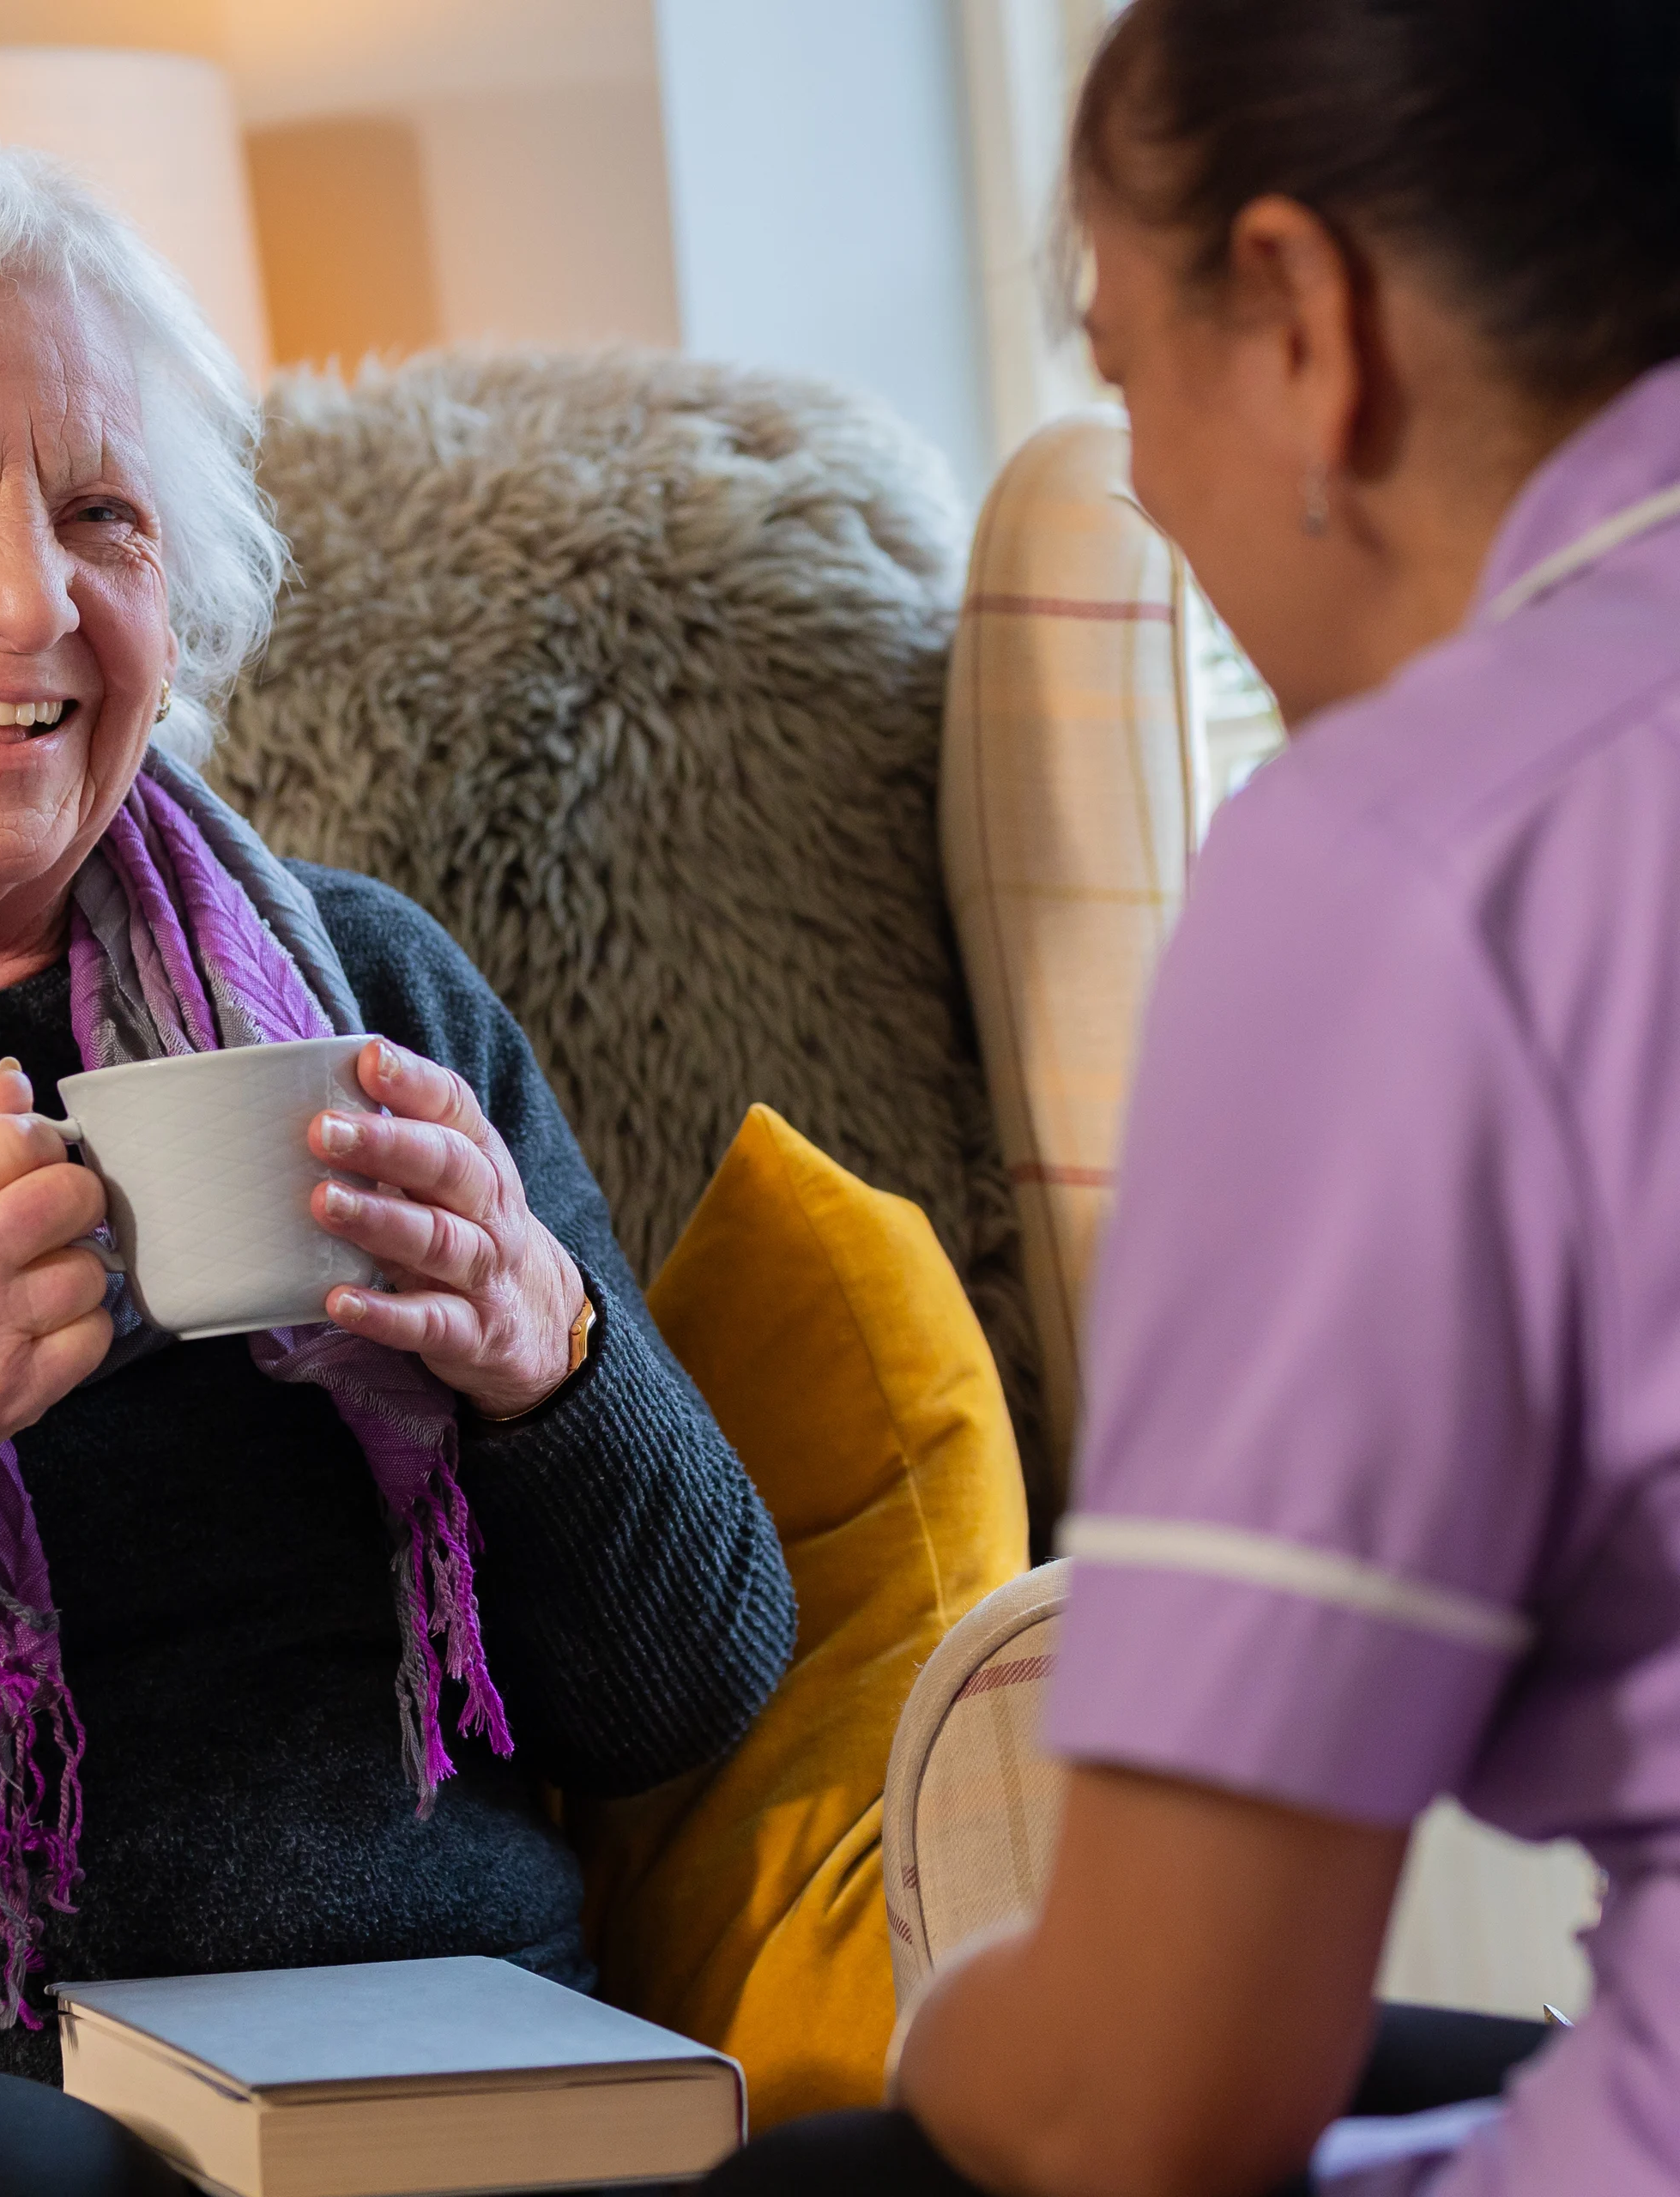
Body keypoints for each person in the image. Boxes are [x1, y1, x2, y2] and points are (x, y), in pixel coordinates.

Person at [0, 124, 795, 2194]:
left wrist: (548, 1364)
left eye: (103, 512)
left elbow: (684, 1686)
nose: (30, 597)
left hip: (415, 2059)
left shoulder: (371, 996)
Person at [707, 1, 1680, 2192]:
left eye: (1122, 361)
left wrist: (932, 2019)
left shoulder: (1406, 858)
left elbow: (1149, 2085)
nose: (1133, 467)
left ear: (1305, 316)